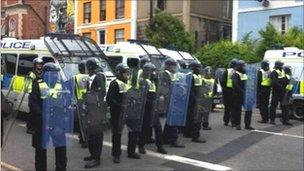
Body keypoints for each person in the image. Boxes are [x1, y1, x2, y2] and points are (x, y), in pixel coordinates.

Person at [29, 62, 67, 171]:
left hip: (50, 122)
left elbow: (32, 104)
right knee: (47, 149)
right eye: (53, 73)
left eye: (55, 73)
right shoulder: (39, 84)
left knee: (58, 148)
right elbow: (33, 103)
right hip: (46, 122)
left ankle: (60, 168)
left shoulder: (56, 84)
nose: (55, 75)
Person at [106, 63, 141, 164]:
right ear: (119, 73)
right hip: (118, 113)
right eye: (125, 73)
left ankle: (131, 151)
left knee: (133, 131)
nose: (127, 75)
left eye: (128, 73)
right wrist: (120, 106)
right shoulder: (114, 83)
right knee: (117, 134)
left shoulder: (129, 83)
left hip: (130, 111)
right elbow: (110, 99)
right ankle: (116, 154)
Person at [138, 63, 167, 154]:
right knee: (145, 128)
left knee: (158, 128)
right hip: (146, 109)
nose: (154, 73)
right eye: (152, 71)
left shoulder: (153, 81)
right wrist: (152, 102)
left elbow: (157, 93)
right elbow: (143, 97)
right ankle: (141, 145)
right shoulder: (142, 82)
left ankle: (160, 146)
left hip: (154, 109)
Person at [83, 58, 107, 168]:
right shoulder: (91, 78)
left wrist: (91, 96)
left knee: (97, 134)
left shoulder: (99, 76)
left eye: (87, 67)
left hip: (97, 110)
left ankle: (96, 159)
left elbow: (102, 92)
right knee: (91, 133)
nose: (86, 69)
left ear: (90, 67)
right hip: (91, 109)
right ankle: (93, 154)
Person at [162, 58, 185, 148]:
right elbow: (165, 89)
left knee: (170, 121)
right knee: (173, 120)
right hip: (170, 100)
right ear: (167, 66)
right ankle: (173, 140)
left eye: (175, 65)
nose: (175, 67)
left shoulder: (173, 74)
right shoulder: (165, 75)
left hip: (174, 99)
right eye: (173, 65)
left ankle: (165, 138)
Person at [184, 61, 207, 143]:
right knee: (195, 118)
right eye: (198, 68)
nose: (199, 69)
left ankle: (188, 132)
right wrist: (196, 99)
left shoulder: (198, 76)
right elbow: (190, 90)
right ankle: (195, 135)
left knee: (190, 117)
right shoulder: (191, 76)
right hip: (194, 100)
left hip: (196, 99)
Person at [73, 60, 90, 148]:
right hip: (89, 101)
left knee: (81, 121)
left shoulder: (76, 77)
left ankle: (82, 139)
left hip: (80, 101)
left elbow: (74, 90)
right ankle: (85, 140)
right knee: (87, 122)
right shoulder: (90, 77)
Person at [26, 58, 44, 134]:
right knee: (34, 113)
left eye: (41, 64)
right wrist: (31, 93)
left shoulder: (43, 73)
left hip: (41, 96)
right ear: (35, 65)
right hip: (33, 97)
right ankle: (30, 128)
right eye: (38, 64)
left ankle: (36, 127)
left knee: (39, 113)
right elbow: (28, 86)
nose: (39, 65)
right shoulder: (32, 74)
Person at [231, 60, 247, 130]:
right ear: (239, 66)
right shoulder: (235, 74)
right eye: (243, 66)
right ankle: (237, 124)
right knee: (237, 110)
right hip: (237, 94)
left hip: (245, 94)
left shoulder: (244, 74)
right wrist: (242, 91)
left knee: (248, 109)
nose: (244, 67)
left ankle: (247, 124)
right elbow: (235, 85)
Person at [221, 58, 238, 126]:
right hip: (234, 91)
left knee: (227, 107)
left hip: (227, 91)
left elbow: (222, 81)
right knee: (233, 107)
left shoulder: (227, 71)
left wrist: (224, 87)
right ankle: (233, 121)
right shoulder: (237, 72)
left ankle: (226, 121)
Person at [269, 60, 286, 125]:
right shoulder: (274, 72)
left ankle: (284, 120)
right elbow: (274, 83)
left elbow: (284, 80)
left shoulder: (282, 72)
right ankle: (272, 120)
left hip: (282, 92)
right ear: (278, 66)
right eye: (281, 65)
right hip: (276, 92)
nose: (282, 66)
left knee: (284, 106)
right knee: (273, 106)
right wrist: (282, 88)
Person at [202, 66, 216, 130]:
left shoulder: (202, 79)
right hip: (206, 98)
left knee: (205, 112)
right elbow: (214, 90)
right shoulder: (212, 80)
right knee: (205, 112)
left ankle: (204, 124)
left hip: (205, 98)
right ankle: (204, 125)